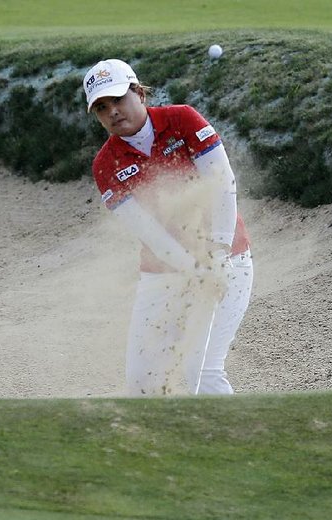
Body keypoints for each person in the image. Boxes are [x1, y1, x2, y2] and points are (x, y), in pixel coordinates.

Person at [83, 58, 253, 396]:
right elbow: (150, 235)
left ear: (138, 93)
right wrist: (193, 269)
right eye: (102, 107)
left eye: (118, 99)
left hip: (228, 260)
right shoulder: (106, 164)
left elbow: (222, 182)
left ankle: (235, 443)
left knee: (202, 372)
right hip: (163, 272)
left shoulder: (182, 120)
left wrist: (218, 253)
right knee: (141, 381)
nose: (113, 112)